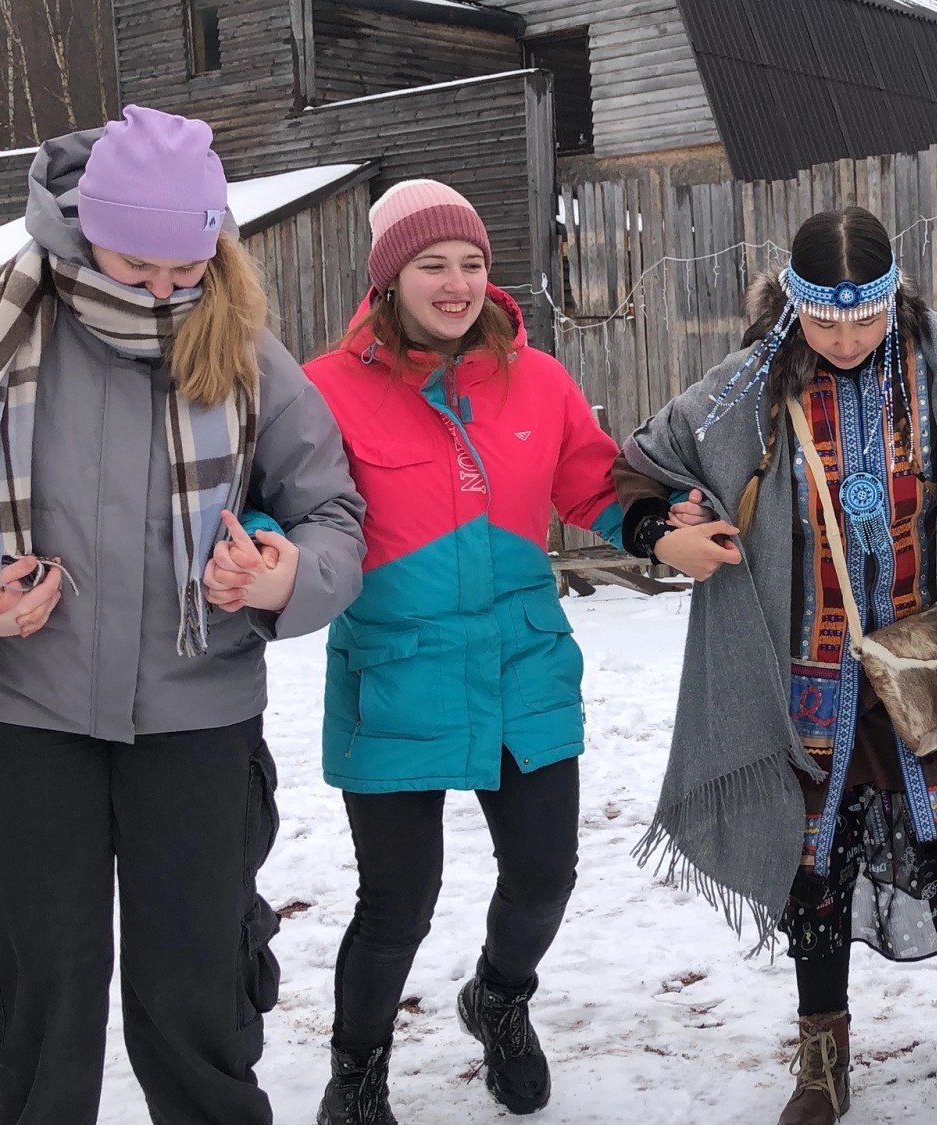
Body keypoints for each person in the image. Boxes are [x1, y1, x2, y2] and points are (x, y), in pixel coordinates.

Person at [619, 205, 937, 1125]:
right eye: (823, 319)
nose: (843, 337)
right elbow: (638, 467)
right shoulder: (747, 386)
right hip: (811, 677)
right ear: (793, 304)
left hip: (925, 668)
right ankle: (821, 1056)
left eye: (864, 316)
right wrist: (660, 532)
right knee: (818, 864)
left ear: (893, 295)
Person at [0, 105, 365, 1125]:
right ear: (79, 226)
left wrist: (286, 579)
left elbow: (333, 511)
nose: (162, 288)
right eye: (133, 261)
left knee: (195, 990)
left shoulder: (243, 351)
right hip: (21, 716)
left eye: (184, 265)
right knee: (39, 1000)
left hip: (197, 722)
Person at [301, 179, 625, 1123]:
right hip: (395, 675)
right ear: (389, 277)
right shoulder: (325, 389)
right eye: (432, 264)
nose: (455, 283)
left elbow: (593, 484)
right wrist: (269, 558)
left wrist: (656, 520)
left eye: (472, 264)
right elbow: (289, 502)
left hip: (522, 666)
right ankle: (356, 1070)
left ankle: (499, 997)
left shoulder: (540, 379)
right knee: (398, 899)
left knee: (543, 875)